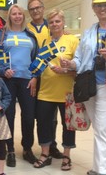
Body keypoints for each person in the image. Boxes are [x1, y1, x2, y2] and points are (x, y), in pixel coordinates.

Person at [61, 0, 106, 175]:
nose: (102, 8)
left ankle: (100, 170)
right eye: (98, 5)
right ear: (93, 9)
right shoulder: (89, 32)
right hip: (88, 84)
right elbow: (80, 59)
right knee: (100, 128)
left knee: (102, 128)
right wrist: (70, 63)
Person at [0, 4, 38, 167]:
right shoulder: (1, 34)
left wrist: (35, 76)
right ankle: (10, 149)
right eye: (14, 14)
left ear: (23, 16)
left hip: (27, 80)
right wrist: (3, 70)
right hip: (8, 81)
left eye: (20, 13)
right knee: (9, 115)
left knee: (28, 116)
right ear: (9, 16)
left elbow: (36, 60)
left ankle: (27, 148)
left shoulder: (30, 35)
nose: (17, 16)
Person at [33, 9, 78, 170]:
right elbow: (39, 64)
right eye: (51, 22)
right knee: (44, 124)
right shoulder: (45, 42)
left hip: (66, 92)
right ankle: (45, 154)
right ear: (48, 25)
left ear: (63, 22)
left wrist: (66, 70)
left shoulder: (72, 40)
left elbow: (79, 66)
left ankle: (66, 156)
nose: (54, 24)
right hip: (45, 91)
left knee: (68, 126)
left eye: (57, 21)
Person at [27, 0, 64, 159]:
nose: (35, 11)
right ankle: (33, 147)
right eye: (32, 9)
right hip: (32, 75)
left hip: (50, 75)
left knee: (52, 116)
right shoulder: (26, 28)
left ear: (43, 8)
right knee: (33, 114)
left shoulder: (50, 26)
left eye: (38, 8)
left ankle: (52, 145)